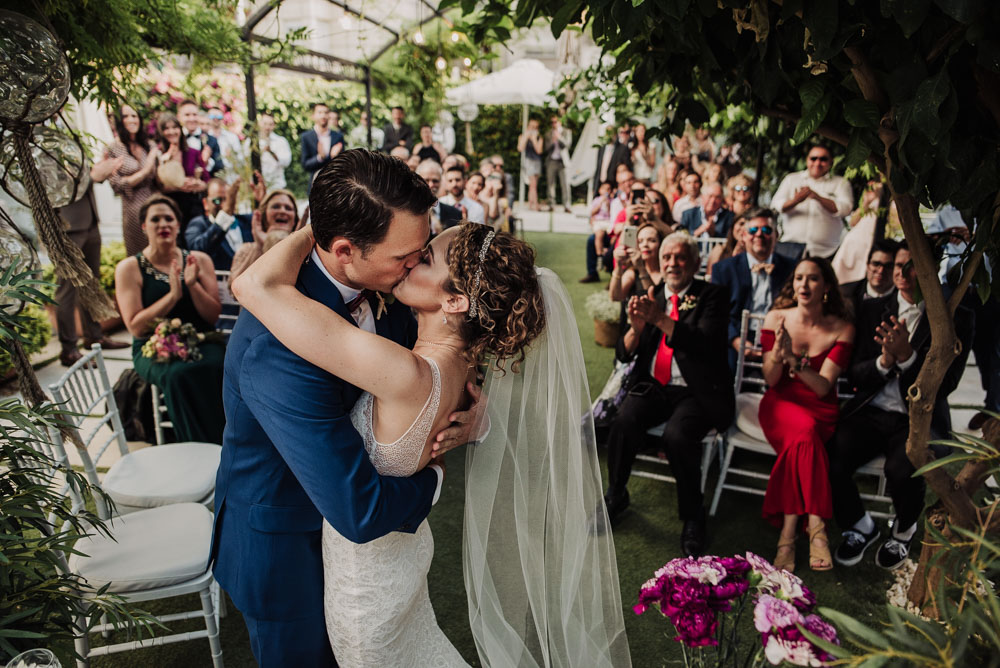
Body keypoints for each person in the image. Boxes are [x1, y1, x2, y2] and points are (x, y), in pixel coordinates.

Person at [214, 150, 630, 666]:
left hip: (380, 563)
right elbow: (359, 509)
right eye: (406, 256)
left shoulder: (396, 290)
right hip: (287, 547)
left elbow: (450, 351)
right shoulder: (275, 344)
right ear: (346, 250)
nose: (413, 263)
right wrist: (434, 476)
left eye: (422, 253)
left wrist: (474, 415)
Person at [829, 241, 974, 570]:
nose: (900, 273)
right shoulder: (871, 309)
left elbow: (946, 385)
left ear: (930, 268)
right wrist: (884, 361)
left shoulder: (957, 318)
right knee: (832, 456)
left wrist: (908, 357)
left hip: (918, 417)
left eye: (911, 266)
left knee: (903, 467)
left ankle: (904, 530)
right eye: (897, 265)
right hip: (871, 409)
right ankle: (860, 526)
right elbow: (856, 373)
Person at [604, 232, 734, 556]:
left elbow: (704, 343)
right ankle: (617, 493)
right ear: (660, 263)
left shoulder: (712, 295)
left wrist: (659, 319)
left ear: (695, 262)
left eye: (680, 257)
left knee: (677, 436)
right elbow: (623, 353)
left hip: (697, 390)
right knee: (624, 421)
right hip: (655, 385)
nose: (673, 264)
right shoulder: (651, 295)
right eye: (667, 258)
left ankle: (693, 516)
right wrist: (635, 327)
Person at [758, 257, 854, 572]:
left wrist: (793, 360)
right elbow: (771, 380)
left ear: (826, 286)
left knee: (805, 437)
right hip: (779, 403)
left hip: (819, 407)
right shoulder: (776, 318)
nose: (803, 285)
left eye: (812, 279)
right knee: (804, 436)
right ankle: (816, 528)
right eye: (799, 278)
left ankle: (787, 536)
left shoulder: (842, 327)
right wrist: (778, 355)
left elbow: (824, 387)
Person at [114, 194, 225, 444]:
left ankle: (227, 439)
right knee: (178, 374)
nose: (163, 224)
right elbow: (136, 327)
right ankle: (195, 444)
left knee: (220, 364)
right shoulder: (129, 268)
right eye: (155, 219)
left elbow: (213, 316)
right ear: (144, 226)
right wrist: (173, 295)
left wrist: (192, 284)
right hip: (152, 345)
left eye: (169, 219)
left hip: (202, 338)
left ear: (178, 225)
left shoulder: (200, 260)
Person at [55, 158, 131, 367]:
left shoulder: (70, 141)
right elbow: (53, 185)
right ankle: (69, 349)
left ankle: (94, 336)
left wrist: (98, 172)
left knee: (91, 285)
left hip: (90, 221)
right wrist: (91, 177)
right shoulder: (41, 144)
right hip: (67, 225)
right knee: (67, 289)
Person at [711, 208, 796, 365]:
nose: (759, 234)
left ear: (776, 236)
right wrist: (736, 340)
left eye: (766, 229)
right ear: (743, 236)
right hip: (737, 336)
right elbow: (716, 311)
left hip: (780, 337)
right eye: (753, 230)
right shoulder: (724, 269)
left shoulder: (792, 268)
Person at [770, 145, 853, 259]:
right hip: (790, 247)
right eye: (813, 158)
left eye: (823, 159)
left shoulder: (840, 183)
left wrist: (817, 197)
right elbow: (776, 206)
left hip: (827, 250)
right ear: (807, 160)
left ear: (831, 162)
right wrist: (796, 200)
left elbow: (845, 209)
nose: (817, 163)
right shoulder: (792, 179)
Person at [104, 104, 159, 256]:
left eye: (134, 116)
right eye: (126, 116)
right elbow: (116, 184)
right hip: (132, 209)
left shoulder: (150, 145)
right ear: (120, 121)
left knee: (159, 251)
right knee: (139, 256)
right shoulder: (113, 148)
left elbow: (158, 180)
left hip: (155, 204)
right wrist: (146, 170)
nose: (131, 120)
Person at [184, 176, 266, 271]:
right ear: (205, 203)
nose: (224, 205)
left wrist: (263, 202)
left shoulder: (247, 221)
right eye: (217, 200)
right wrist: (225, 215)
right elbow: (198, 251)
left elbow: (269, 224)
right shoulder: (198, 224)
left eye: (227, 199)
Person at [227, 188, 301, 281]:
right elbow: (233, 288)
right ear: (264, 215)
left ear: (295, 219)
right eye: (276, 206)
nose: (283, 211)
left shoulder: (305, 251)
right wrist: (260, 247)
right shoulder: (246, 250)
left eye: (288, 208)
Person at [154, 112, 209, 228]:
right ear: (161, 132)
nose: (171, 131)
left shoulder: (193, 152)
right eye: (166, 129)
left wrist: (198, 184)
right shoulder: (157, 154)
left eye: (174, 127)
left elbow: (207, 181)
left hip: (193, 205)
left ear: (180, 129)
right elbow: (156, 185)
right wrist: (178, 185)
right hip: (170, 206)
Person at [831, 180, 888, 284]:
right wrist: (867, 201)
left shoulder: (892, 197)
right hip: (853, 244)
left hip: (870, 246)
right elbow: (853, 222)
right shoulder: (873, 189)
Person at [838, 239, 899, 315]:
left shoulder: (905, 298)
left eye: (888, 266)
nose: (881, 271)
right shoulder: (844, 293)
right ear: (867, 265)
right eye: (876, 264)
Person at [610, 223, 664, 303]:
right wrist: (619, 265)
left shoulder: (666, 272)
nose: (645, 245)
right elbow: (615, 297)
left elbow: (657, 301)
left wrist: (641, 268)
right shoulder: (633, 272)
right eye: (640, 241)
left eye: (652, 240)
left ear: (661, 244)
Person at [301, 103, 344, 194]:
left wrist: (335, 157)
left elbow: (344, 164)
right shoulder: (306, 137)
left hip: (335, 185)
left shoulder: (338, 136)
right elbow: (305, 164)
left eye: (326, 112)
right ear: (313, 116)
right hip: (315, 185)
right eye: (320, 112)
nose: (323, 115)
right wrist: (319, 157)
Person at [178, 99, 223, 177]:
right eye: (187, 115)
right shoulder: (175, 139)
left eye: (194, 114)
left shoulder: (211, 140)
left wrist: (208, 162)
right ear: (179, 117)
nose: (192, 119)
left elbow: (219, 167)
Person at [414, 159, 462, 233]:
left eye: (435, 181)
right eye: (426, 180)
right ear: (417, 181)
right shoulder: (409, 212)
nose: (431, 185)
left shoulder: (455, 213)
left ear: (441, 182)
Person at [252, 112, 292, 190]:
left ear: (274, 125)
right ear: (260, 123)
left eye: (270, 124)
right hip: (258, 187)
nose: (267, 127)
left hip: (277, 186)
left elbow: (286, 162)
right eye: (265, 124)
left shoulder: (281, 141)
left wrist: (272, 153)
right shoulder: (251, 142)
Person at [544, 115, 573, 212]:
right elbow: (546, 149)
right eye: (552, 122)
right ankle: (551, 204)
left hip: (563, 161)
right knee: (550, 184)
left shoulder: (566, 132)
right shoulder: (548, 134)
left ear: (560, 122)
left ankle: (567, 205)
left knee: (565, 184)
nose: (553, 124)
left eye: (555, 122)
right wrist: (552, 142)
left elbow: (567, 145)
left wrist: (559, 138)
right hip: (552, 160)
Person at [206, 105, 244, 177]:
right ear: (207, 118)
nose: (216, 119)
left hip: (229, 177)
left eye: (219, 117)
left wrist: (232, 158)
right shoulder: (204, 137)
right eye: (212, 116)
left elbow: (240, 160)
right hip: (209, 178)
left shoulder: (232, 137)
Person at [593, 125, 632, 193]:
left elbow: (626, 168)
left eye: (611, 133)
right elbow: (598, 168)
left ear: (615, 134)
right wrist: (595, 187)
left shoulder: (623, 149)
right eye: (608, 133)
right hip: (600, 186)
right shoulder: (601, 149)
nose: (610, 135)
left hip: (613, 187)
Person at [517, 118, 544, 211]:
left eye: (535, 127)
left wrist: (533, 139)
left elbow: (539, 150)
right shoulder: (522, 136)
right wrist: (526, 137)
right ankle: (535, 204)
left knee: (533, 185)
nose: (533, 129)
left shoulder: (539, 137)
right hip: (528, 161)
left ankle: (530, 204)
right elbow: (520, 148)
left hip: (537, 162)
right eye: (532, 126)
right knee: (533, 184)